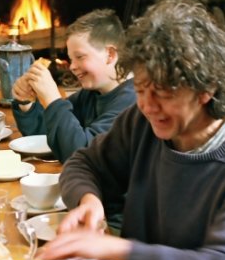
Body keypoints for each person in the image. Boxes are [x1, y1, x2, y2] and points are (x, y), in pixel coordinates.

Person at [37, 0, 225, 260]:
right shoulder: (143, 124)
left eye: (164, 94)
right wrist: (89, 200)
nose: (148, 107)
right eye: (140, 90)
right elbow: (84, 162)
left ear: (207, 88)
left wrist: (121, 250)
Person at [11, 9, 136, 164]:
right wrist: (26, 103)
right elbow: (50, 134)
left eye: (79, 57)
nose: (72, 66)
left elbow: (80, 155)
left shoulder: (132, 104)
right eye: (70, 59)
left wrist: (52, 100)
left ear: (109, 55)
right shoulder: (91, 93)